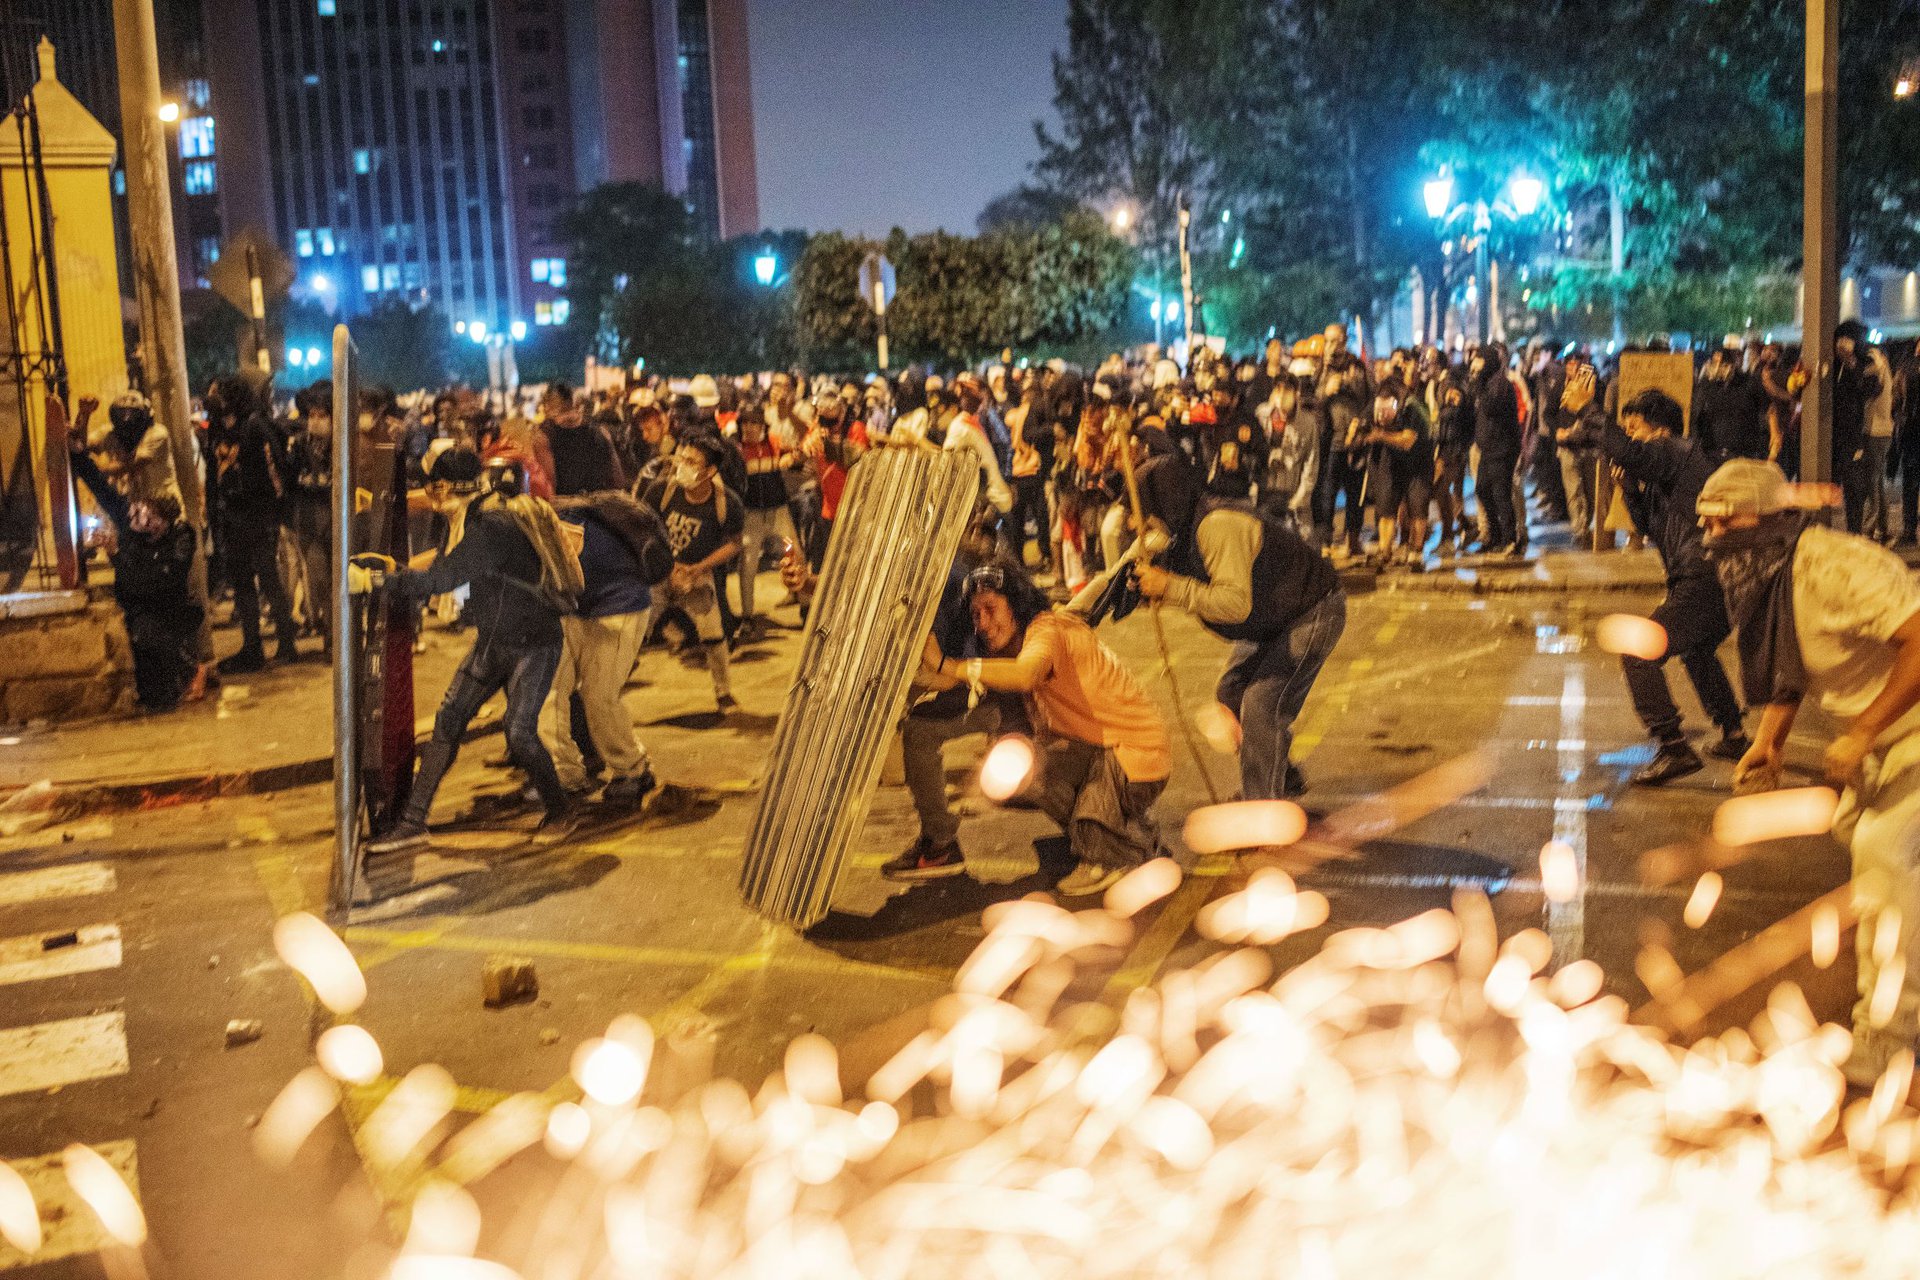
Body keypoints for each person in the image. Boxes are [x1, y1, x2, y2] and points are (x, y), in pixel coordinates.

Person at [1697, 458, 1920, 1089]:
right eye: (1705, 524)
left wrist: (1863, 731)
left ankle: (1887, 1045)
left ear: (1770, 520)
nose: (1714, 539)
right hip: (1887, 740)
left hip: (1908, 733)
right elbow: (1789, 658)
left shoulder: (1837, 566)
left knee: (1883, 858)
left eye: (1724, 522)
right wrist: (1771, 739)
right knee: (1867, 839)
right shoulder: (1769, 574)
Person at [363, 447, 583, 854]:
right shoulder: (469, 517)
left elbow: (442, 579)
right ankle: (413, 823)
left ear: (445, 487)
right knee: (449, 721)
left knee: (519, 732)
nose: (428, 494)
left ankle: (560, 811)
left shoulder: (491, 526)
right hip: (496, 641)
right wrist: (394, 570)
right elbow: (448, 565)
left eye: (432, 485)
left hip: (534, 644)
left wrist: (382, 582)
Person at [914, 560, 1170, 896]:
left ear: (1017, 606)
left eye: (991, 609)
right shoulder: (1034, 634)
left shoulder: (1045, 631)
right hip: (1103, 749)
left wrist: (951, 664)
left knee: (1064, 784)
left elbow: (1025, 674)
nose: (983, 624)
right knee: (1022, 768)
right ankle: (1133, 836)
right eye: (977, 615)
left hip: (1133, 754)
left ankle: (1109, 857)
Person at [1127, 453, 1346, 801]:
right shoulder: (1179, 531)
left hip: (1312, 609)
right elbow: (1123, 577)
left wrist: (1169, 588)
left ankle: (1261, 806)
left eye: (1142, 512)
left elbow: (1234, 604)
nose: (1133, 523)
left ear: (1165, 503)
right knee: (1231, 692)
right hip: (1276, 615)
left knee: (1261, 704)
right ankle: (1281, 778)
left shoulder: (1217, 526)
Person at [1597, 385, 1749, 784]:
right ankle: (1733, 734)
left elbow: (1629, 452)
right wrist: (1629, 490)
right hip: (1709, 575)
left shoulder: (1672, 450)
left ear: (1660, 430)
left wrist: (1591, 413)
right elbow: (1650, 528)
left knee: (1638, 650)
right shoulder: (1674, 468)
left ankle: (1673, 746)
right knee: (1697, 651)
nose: (1630, 437)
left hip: (1703, 576)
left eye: (1635, 427)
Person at [539, 491, 662, 806]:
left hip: (619, 605)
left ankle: (633, 770)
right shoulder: (540, 522)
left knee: (599, 695)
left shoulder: (563, 524)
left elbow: (568, 569)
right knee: (547, 690)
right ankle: (564, 775)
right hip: (576, 606)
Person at [69, 446, 202, 711]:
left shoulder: (180, 538)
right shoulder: (130, 520)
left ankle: (187, 672)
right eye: (140, 513)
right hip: (137, 606)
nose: (140, 521)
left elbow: (155, 581)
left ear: (163, 523)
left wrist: (118, 554)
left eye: (150, 519)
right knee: (149, 685)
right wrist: (79, 456)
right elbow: (102, 490)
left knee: (148, 636)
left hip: (167, 608)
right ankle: (159, 689)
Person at [640, 433, 743, 712]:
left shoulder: (726, 503)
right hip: (660, 573)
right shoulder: (662, 492)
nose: (682, 465)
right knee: (636, 630)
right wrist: (665, 565)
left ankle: (723, 691)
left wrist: (698, 569)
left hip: (698, 575)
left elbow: (734, 544)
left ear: (710, 471)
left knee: (713, 632)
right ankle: (610, 689)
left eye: (691, 461)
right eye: (682, 457)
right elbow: (643, 531)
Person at [206, 374, 300, 672]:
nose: (211, 396)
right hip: (231, 516)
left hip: (259, 514)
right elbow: (212, 474)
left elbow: (276, 469)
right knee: (242, 581)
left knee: (268, 576)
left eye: (216, 391)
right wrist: (213, 510)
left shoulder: (255, 425)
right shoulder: (218, 429)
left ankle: (287, 642)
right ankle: (252, 647)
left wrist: (277, 510)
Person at [734, 401, 798, 631]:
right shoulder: (736, 451)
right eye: (746, 423)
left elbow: (794, 455)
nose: (749, 427)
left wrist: (793, 459)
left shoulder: (774, 443)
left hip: (778, 511)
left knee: (793, 553)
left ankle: (803, 601)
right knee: (748, 564)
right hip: (751, 516)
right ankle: (747, 616)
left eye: (754, 423)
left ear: (762, 426)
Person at [1360, 381, 1432, 567]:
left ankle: (1416, 552)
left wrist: (1381, 435)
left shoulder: (1412, 408)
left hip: (1418, 462)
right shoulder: (1375, 405)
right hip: (1392, 460)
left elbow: (1407, 441)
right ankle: (1385, 552)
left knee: (1417, 506)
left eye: (1387, 409)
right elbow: (1362, 425)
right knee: (1386, 507)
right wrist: (1358, 431)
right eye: (1380, 409)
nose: (1383, 415)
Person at [1471, 342, 1523, 555]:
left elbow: (1491, 407)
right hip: (1488, 448)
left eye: (1479, 360)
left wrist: (1477, 383)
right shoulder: (1486, 383)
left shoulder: (1499, 383)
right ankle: (1494, 536)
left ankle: (1510, 538)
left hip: (1502, 448)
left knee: (1501, 493)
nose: (1475, 364)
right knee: (1482, 490)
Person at [538, 382, 628, 496]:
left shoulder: (544, 437)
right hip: (597, 509)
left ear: (547, 406)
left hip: (563, 510)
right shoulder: (600, 432)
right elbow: (618, 481)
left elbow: (548, 488)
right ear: (572, 402)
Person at [1834, 319, 1882, 534]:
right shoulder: (1829, 361)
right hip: (1827, 432)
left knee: (1854, 488)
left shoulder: (1865, 361)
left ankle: (1854, 532)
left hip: (1852, 434)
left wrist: (1852, 361)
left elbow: (1872, 389)